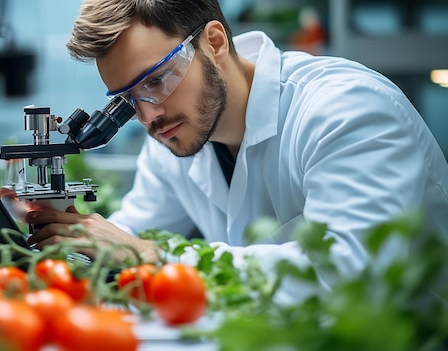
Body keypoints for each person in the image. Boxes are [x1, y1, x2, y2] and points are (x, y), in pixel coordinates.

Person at [24, 0, 448, 292]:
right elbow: (129, 237)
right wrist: (68, 241)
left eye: (156, 80)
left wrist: (150, 256)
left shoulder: (345, 111)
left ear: (214, 42)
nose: (149, 116)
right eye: (128, 100)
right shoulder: (174, 138)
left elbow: (350, 278)